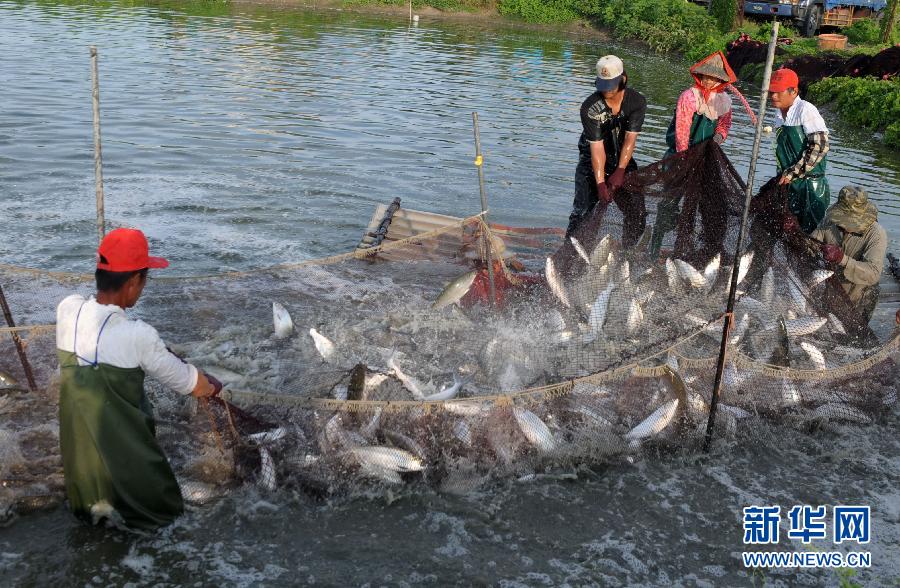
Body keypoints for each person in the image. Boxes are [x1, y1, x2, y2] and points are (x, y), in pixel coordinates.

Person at [56, 228, 220, 530]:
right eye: (144, 280)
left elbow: (101, 334)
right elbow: (193, 385)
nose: (143, 288)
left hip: (83, 487)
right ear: (133, 282)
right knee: (170, 526)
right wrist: (212, 385)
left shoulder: (67, 309)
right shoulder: (138, 335)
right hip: (135, 491)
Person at [650, 51, 757, 257]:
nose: (709, 81)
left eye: (714, 78)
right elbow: (682, 129)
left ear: (720, 80)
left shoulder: (724, 101)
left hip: (705, 159)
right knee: (669, 204)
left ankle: (686, 250)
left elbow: (724, 125)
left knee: (701, 206)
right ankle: (654, 249)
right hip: (680, 157)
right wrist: (684, 160)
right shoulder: (689, 97)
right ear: (700, 76)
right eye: (706, 77)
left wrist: (717, 139)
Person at [566, 55, 647, 247]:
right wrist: (601, 183)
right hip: (591, 160)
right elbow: (596, 149)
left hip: (622, 158)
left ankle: (627, 253)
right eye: (603, 85)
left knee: (637, 211)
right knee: (582, 212)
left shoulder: (636, 102)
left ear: (623, 79)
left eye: (611, 84)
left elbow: (630, 140)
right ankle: (569, 257)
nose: (607, 90)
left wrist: (620, 171)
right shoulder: (590, 107)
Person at [786, 186, 886, 322]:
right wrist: (795, 233)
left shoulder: (876, 234)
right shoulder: (830, 221)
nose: (840, 223)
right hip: (830, 290)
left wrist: (842, 259)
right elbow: (810, 246)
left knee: (850, 336)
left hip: (857, 298)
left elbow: (873, 274)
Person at [768, 67, 831, 234]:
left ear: (793, 91)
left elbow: (820, 146)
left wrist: (793, 173)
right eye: (771, 92)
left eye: (778, 92)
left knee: (806, 235)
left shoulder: (805, 109)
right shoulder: (779, 113)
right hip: (789, 184)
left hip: (809, 187)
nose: (773, 96)